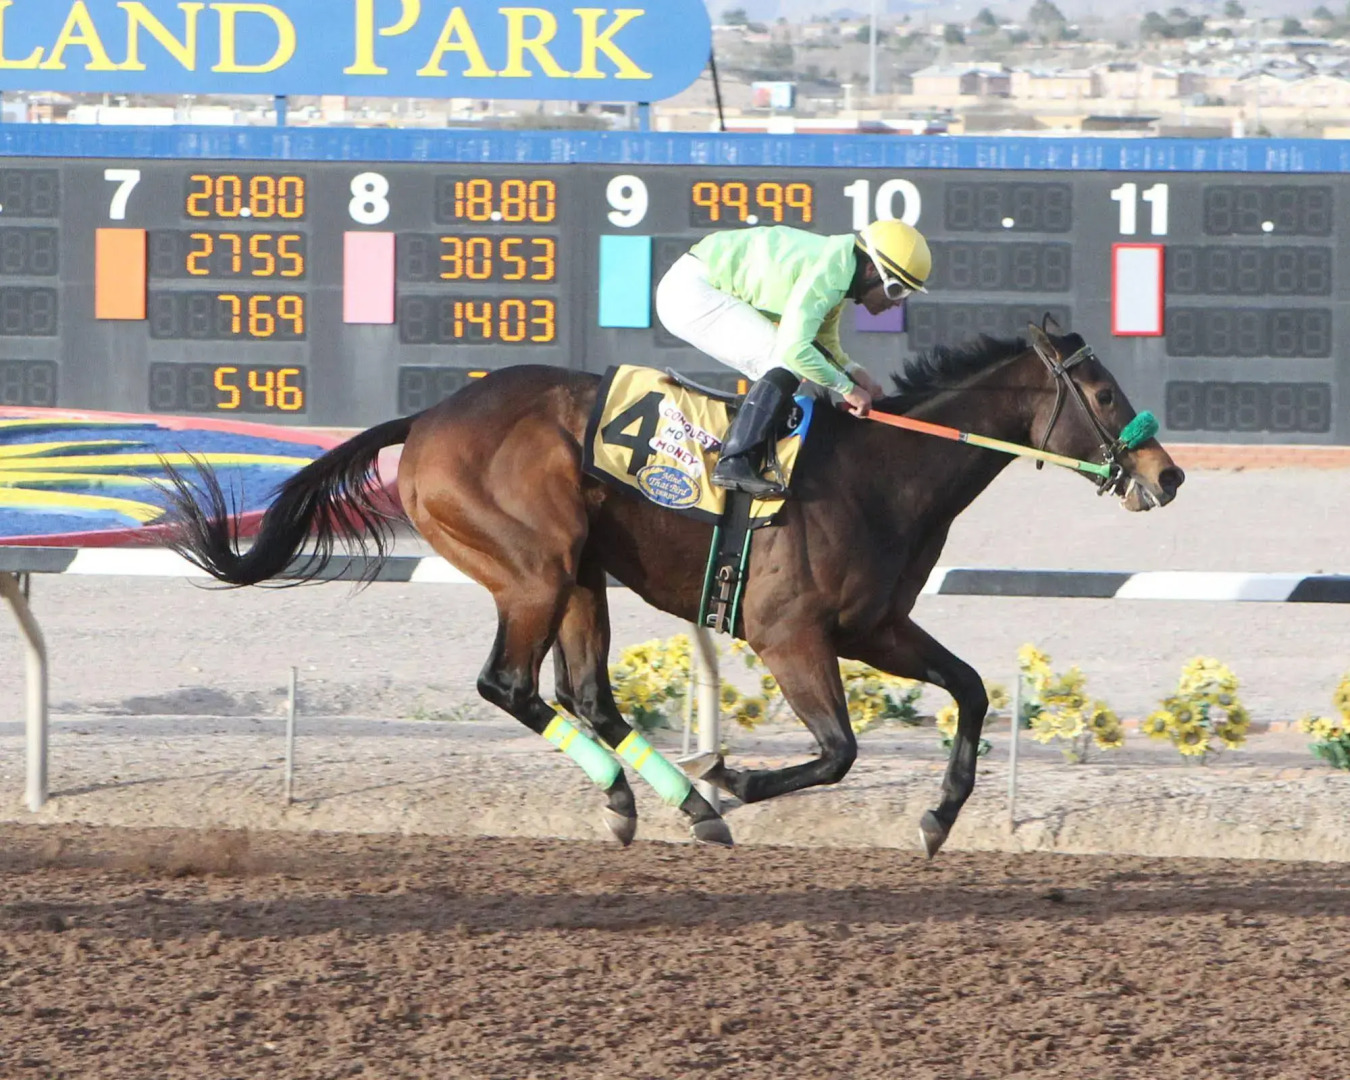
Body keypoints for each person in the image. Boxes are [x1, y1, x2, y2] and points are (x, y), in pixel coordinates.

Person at [654, 219, 933, 497]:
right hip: (692, 292)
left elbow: (822, 342)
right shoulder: (829, 274)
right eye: (897, 290)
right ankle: (734, 461)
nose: (898, 302)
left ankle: (750, 456)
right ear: (871, 269)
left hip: (696, 284)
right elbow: (796, 350)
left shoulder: (839, 269)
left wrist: (853, 371)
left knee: (785, 365)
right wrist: (847, 388)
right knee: (785, 360)